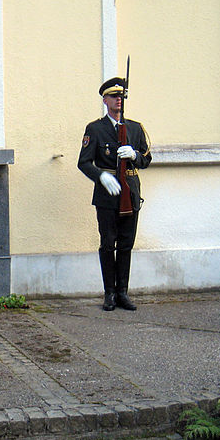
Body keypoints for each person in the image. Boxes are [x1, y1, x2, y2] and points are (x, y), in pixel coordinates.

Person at [78, 76, 152, 311]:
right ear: (105, 100)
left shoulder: (135, 128)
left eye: (121, 96)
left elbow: (146, 159)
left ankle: (123, 292)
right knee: (108, 243)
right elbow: (84, 162)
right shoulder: (95, 129)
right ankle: (109, 293)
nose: (118, 100)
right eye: (114, 96)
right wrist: (101, 176)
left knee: (127, 244)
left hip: (129, 190)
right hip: (107, 194)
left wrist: (135, 156)